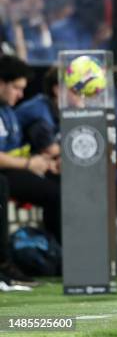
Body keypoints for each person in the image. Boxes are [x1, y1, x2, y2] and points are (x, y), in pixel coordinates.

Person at [0, 55, 60, 284]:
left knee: (57, 186)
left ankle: (54, 254)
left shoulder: (9, 113)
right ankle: (4, 262)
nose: (20, 95)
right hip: (5, 173)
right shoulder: (28, 110)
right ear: (1, 83)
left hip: (12, 169)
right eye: (16, 88)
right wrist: (28, 164)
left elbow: (15, 150)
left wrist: (41, 162)